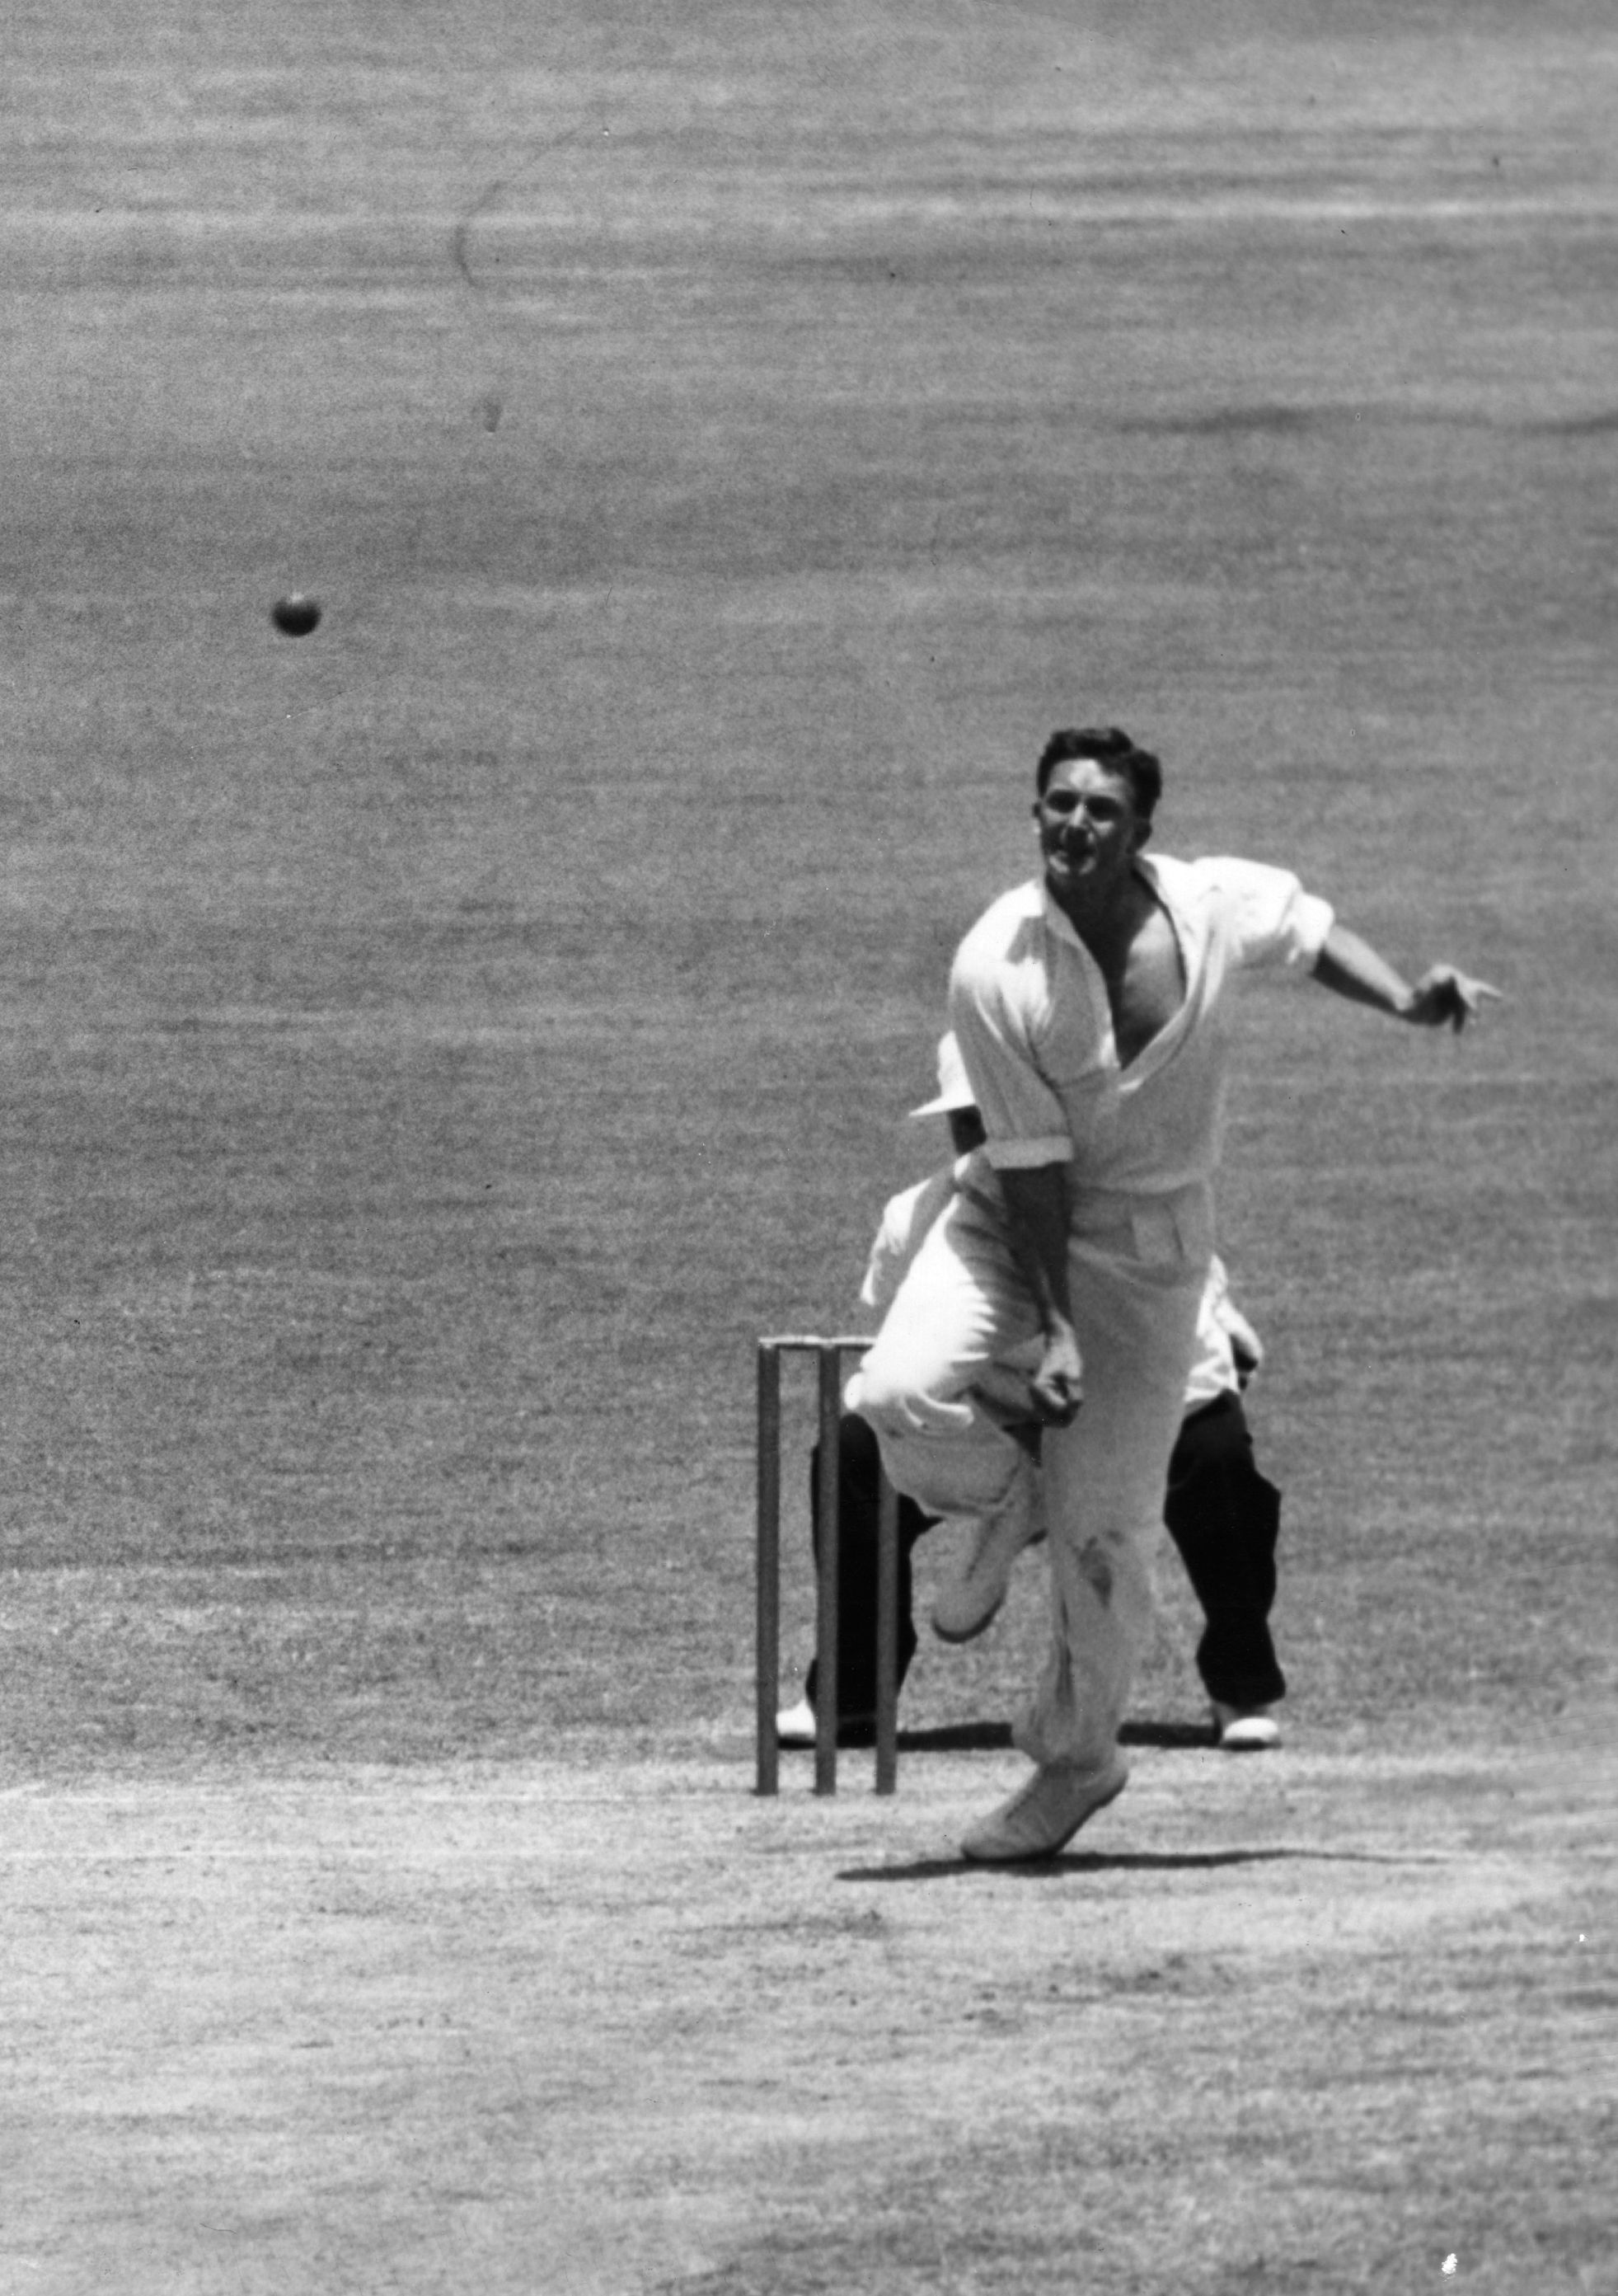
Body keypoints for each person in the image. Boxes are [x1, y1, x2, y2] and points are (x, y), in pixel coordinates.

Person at [854, 725, 1498, 1861]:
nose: (1074, 825)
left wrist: (1405, 999)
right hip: (1009, 1225)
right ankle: (1020, 1491)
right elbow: (1029, 1169)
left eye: (1100, 808)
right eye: (1056, 804)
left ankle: (1076, 1759)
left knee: (1109, 1543)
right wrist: (1052, 1329)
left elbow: (1305, 934)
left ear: (1140, 829)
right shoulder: (992, 964)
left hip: (1152, 1268)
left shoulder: (1207, 903)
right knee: (892, 1392)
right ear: (1035, 816)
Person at [776, 1037, 1287, 1754]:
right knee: (852, 1454)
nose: (981, 1145)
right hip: (993, 1427)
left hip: (1121, 1409)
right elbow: (911, 1366)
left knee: (1215, 1450)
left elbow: (1197, 1373)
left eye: (996, 1122)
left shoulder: (1124, 1215)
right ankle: (850, 1695)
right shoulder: (911, 1220)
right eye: (966, 1122)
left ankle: (1242, 1683)